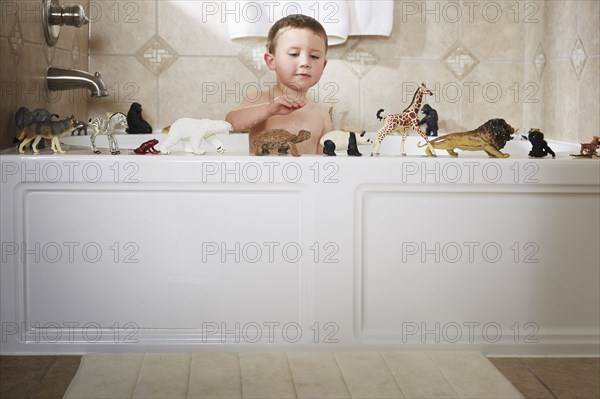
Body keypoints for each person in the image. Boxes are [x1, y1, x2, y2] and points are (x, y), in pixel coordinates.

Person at [225, 14, 331, 154]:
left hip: (306, 176)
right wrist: (268, 110)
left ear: (323, 66)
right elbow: (231, 124)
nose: (305, 62)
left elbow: (325, 160)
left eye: (314, 56)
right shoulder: (261, 99)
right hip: (262, 174)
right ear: (271, 61)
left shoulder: (322, 115)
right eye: (294, 54)